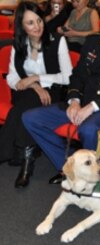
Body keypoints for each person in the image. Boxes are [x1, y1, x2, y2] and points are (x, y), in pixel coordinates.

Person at [22, 3, 100, 185]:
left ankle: (94, 181)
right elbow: (78, 75)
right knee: (31, 118)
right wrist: (74, 100)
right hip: (81, 103)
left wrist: (92, 107)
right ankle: (69, 168)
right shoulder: (93, 41)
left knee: (88, 129)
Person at [0, 1, 72, 188]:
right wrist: (34, 86)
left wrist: (36, 79)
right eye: (30, 23)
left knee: (22, 112)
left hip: (53, 93)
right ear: (22, 26)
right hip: (27, 93)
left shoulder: (57, 40)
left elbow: (67, 77)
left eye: (39, 20)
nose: (37, 26)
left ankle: (21, 158)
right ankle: (25, 157)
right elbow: (12, 78)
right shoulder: (19, 43)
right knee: (27, 105)